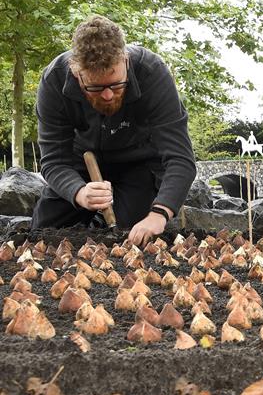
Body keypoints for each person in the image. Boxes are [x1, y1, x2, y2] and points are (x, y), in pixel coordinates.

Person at [32, 15, 196, 245]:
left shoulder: (152, 72)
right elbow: (53, 161)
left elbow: (180, 158)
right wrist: (78, 192)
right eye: (95, 87)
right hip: (80, 164)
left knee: (137, 236)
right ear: (76, 73)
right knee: (42, 233)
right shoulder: (54, 80)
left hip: (139, 162)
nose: (108, 95)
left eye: (117, 84)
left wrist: (159, 213)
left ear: (126, 62)